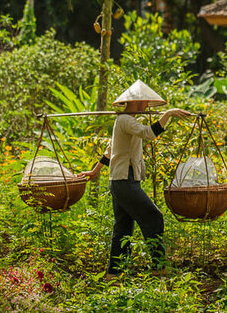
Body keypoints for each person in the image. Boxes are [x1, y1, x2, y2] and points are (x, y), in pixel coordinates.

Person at [78, 80, 191, 281]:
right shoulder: (125, 121)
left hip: (122, 180)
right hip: (124, 182)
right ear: (137, 102)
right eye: (145, 102)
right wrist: (168, 114)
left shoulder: (126, 121)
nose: (147, 106)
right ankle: (159, 266)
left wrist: (95, 172)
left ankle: (114, 273)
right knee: (154, 217)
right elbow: (148, 133)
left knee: (123, 227)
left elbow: (112, 150)